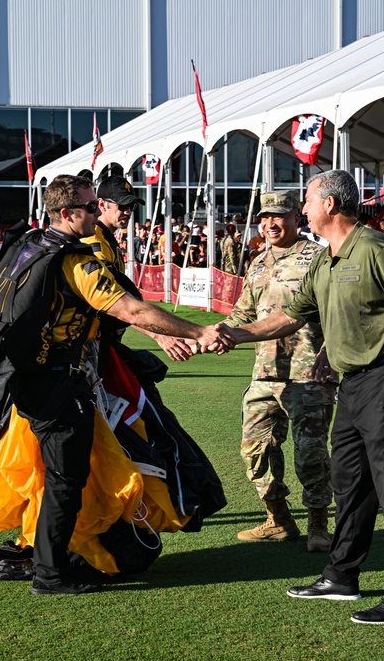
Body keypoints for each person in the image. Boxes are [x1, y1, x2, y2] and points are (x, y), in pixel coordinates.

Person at [225, 170, 384, 625]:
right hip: (351, 386)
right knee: (349, 484)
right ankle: (342, 575)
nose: (302, 209)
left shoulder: (375, 247)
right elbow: (288, 316)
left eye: (306, 200)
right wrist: (232, 334)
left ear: (329, 205)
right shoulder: (326, 259)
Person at [22, 174, 233, 595]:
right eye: (97, 205)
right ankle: (59, 563)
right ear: (73, 212)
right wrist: (195, 332)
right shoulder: (80, 257)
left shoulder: (32, 247)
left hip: (40, 378)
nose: (117, 212)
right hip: (72, 378)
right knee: (80, 472)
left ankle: (51, 554)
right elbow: (127, 309)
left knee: (66, 470)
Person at [223, 191, 335, 553]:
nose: (271, 224)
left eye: (279, 216)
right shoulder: (257, 262)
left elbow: (340, 311)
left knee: (310, 454)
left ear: (295, 218)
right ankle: (278, 519)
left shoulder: (317, 258)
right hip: (265, 372)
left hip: (309, 374)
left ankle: (319, 524)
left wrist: (331, 352)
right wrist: (214, 334)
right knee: (253, 448)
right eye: (265, 217)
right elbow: (243, 313)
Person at [88, 174, 196, 362]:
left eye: (132, 206)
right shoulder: (95, 240)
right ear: (102, 204)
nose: (128, 212)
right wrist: (161, 336)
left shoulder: (107, 237)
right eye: (122, 206)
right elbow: (117, 304)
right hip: (91, 345)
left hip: (104, 342)